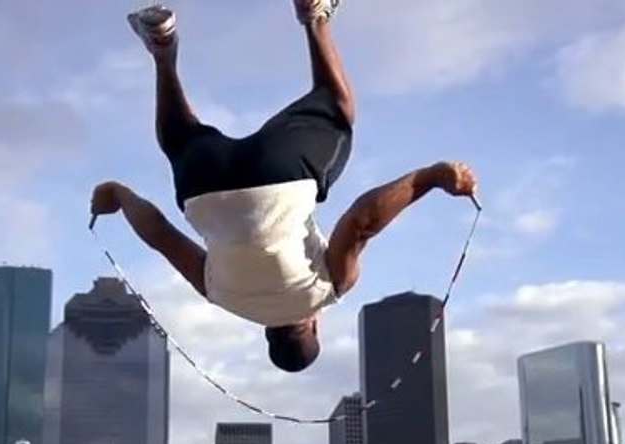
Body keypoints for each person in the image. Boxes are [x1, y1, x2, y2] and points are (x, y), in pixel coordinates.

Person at [90, 0, 478, 373]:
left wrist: (431, 178)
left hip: (282, 175)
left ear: (312, 326)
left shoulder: (328, 290)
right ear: (267, 334)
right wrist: (119, 196)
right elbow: (161, 237)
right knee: (178, 138)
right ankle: (162, 47)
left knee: (338, 108)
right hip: (204, 187)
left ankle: (316, 18)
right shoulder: (220, 296)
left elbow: (362, 221)